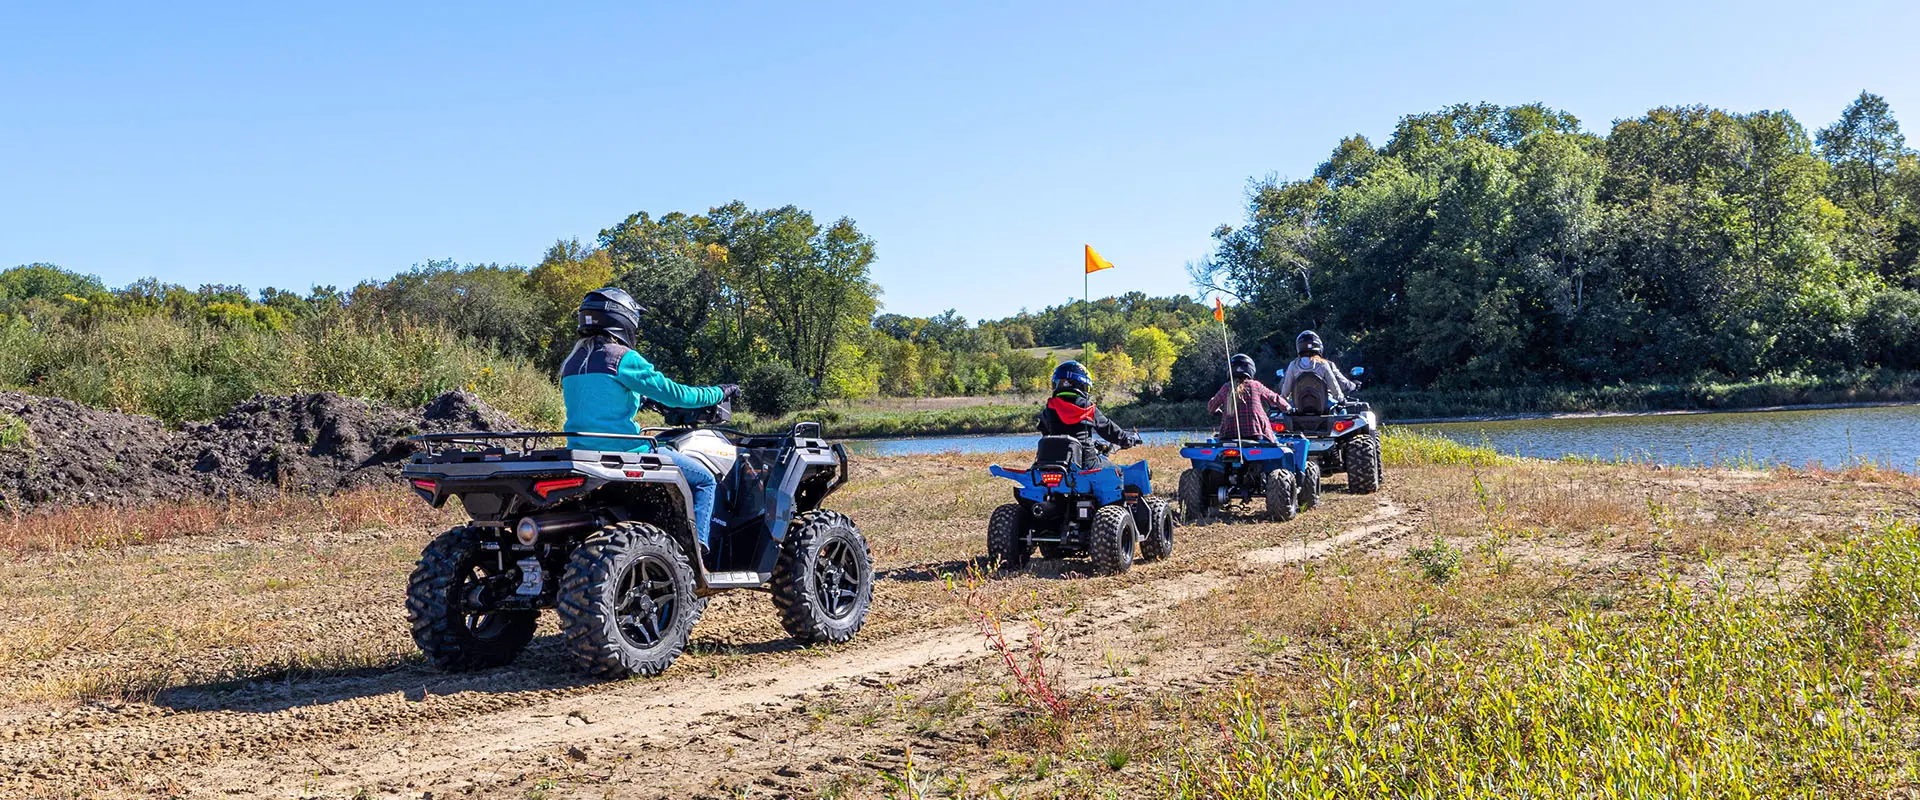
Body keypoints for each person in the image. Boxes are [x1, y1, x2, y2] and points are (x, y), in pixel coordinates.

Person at [560, 287, 740, 557]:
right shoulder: (622, 358)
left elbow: (598, 398)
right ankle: (697, 554)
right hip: (626, 451)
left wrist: (639, 398)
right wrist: (719, 392)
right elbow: (678, 395)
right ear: (624, 320)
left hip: (581, 452)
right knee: (704, 480)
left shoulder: (572, 362)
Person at [1037, 360, 1141, 469]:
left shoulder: (1049, 408)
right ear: (1084, 385)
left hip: (1052, 464)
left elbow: (1045, 431)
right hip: (1085, 463)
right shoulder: (1088, 407)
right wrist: (1127, 440)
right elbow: (1108, 429)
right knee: (1117, 470)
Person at [1208, 353, 1290, 441]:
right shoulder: (1255, 385)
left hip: (1228, 435)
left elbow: (1211, 407)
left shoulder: (1226, 388)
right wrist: (1288, 408)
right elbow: (1274, 398)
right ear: (1250, 369)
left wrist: (1216, 411)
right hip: (1255, 433)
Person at [1278, 330, 1358, 413]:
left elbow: (1286, 390)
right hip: (1324, 404)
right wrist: (1341, 400)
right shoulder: (1323, 364)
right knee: (1342, 411)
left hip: (1298, 405)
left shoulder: (1293, 365)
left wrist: (1281, 402)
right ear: (1318, 347)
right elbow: (1334, 386)